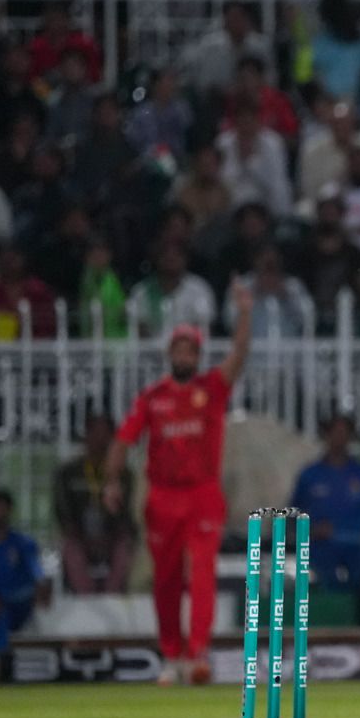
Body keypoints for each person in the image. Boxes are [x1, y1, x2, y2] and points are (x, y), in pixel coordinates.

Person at [103, 287, 254, 685]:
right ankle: (171, 655)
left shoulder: (212, 388)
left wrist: (244, 313)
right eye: (179, 350)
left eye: (190, 351)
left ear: (198, 356)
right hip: (163, 497)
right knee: (167, 578)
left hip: (202, 493)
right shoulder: (153, 398)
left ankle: (198, 654)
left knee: (202, 573)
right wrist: (111, 482)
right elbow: (123, 440)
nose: (184, 356)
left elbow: (239, 354)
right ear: (170, 355)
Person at [289, 414, 360, 606]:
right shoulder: (310, 474)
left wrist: (339, 528)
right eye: (335, 433)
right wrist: (312, 529)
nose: (340, 438)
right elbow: (294, 511)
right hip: (318, 545)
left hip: (353, 544)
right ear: (326, 435)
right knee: (323, 583)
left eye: (344, 433)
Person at [53, 415, 136, 594]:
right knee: (70, 548)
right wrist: (75, 531)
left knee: (125, 547)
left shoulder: (124, 474)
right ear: (87, 436)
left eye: (105, 435)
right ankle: (85, 596)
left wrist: (113, 532)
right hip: (79, 535)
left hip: (112, 535)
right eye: (96, 434)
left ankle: (113, 595)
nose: (100, 440)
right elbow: (62, 509)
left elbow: (128, 512)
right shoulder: (68, 472)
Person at [0, 489, 53, 651]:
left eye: (0, 507)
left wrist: (41, 583)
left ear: (9, 510)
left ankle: (2, 656)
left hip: (18, 604)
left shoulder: (23, 543)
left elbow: (36, 568)